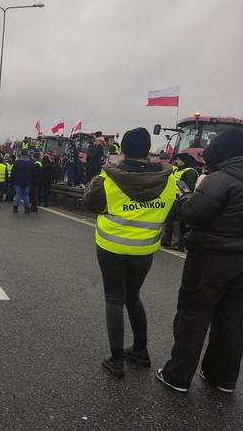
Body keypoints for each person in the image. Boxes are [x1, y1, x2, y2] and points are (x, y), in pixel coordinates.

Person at [84, 127, 175, 377]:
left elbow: (89, 202)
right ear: (148, 151)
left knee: (114, 299)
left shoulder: (108, 178)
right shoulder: (170, 179)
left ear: (122, 150)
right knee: (133, 297)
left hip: (111, 247)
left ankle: (116, 360)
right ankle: (141, 351)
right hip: (144, 251)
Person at [157, 128, 243, 393]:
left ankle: (177, 375)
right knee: (232, 319)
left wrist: (185, 198)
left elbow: (193, 214)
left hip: (210, 258)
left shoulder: (221, 179)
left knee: (193, 314)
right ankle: (223, 377)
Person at [161, 153, 200, 251]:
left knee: (178, 222)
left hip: (181, 200)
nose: (176, 161)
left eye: (179, 160)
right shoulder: (177, 169)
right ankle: (167, 240)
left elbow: (189, 188)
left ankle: (177, 243)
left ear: (184, 161)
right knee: (169, 220)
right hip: (171, 199)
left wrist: (180, 190)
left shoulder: (190, 171)